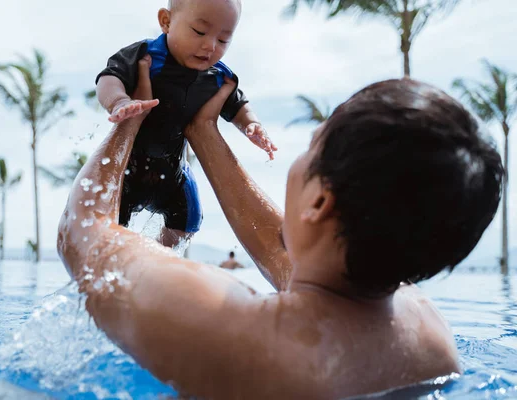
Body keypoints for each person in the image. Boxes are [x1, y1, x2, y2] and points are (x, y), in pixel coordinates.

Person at [57, 57, 503, 399]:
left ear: (321, 199)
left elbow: (82, 234)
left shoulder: (236, 332)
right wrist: (203, 129)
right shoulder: (429, 334)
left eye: (311, 147)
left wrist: (128, 122)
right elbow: (290, 251)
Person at [94, 0, 277, 248]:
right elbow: (109, 77)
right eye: (199, 32)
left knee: (187, 221)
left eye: (223, 40)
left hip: (173, 173)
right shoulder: (146, 55)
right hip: (129, 169)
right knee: (112, 225)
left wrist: (251, 125)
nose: (210, 46)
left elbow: (238, 104)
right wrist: (119, 101)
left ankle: (159, 258)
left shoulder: (217, 76)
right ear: (166, 21)